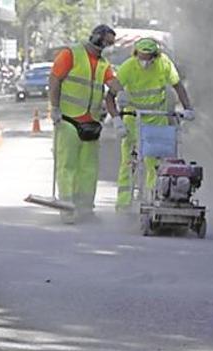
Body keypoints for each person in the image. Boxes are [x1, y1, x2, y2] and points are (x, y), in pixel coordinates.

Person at [48, 25, 123, 224]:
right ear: (97, 38)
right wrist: (54, 107)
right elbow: (55, 79)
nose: (107, 48)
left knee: (89, 169)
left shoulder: (103, 64)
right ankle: (67, 208)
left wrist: (123, 92)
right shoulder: (70, 54)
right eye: (107, 43)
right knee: (67, 166)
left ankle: (85, 208)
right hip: (68, 121)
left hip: (91, 123)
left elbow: (112, 83)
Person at [113, 37, 194, 210]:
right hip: (133, 117)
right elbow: (112, 91)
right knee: (128, 161)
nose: (144, 61)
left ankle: (152, 199)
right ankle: (123, 203)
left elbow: (178, 85)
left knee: (154, 162)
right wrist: (117, 118)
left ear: (155, 56)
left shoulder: (164, 64)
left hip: (156, 116)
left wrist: (188, 108)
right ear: (136, 54)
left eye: (148, 57)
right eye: (141, 57)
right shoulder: (128, 67)